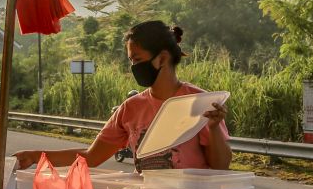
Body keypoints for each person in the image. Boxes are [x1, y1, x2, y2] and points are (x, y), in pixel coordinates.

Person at [14, 21, 231, 171]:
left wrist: (213, 129)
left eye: (136, 59)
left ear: (162, 58)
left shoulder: (199, 103)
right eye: (131, 60)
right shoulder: (130, 108)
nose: (133, 66)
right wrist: (35, 156)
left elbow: (221, 166)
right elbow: (92, 157)